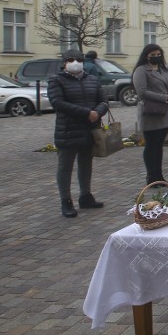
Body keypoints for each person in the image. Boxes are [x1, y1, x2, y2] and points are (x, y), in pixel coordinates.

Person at [47, 49, 108, 217]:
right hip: (68, 130)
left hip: (89, 130)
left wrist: (98, 112)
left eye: (78, 59)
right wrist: (86, 113)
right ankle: (66, 201)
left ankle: (85, 195)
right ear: (64, 63)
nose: (75, 63)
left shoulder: (92, 79)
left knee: (86, 164)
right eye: (71, 60)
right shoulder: (56, 80)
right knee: (65, 167)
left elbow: (103, 100)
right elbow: (58, 102)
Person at [132, 44, 168, 184]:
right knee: (151, 145)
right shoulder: (141, 70)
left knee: (159, 146)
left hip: (164, 113)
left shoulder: (163, 70)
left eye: (158, 54)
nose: (156, 57)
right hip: (150, 113)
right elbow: (142, 92)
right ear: (147, 55)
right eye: (153, 54)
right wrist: (164, 98)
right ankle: (151, 176)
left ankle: (159, 175)